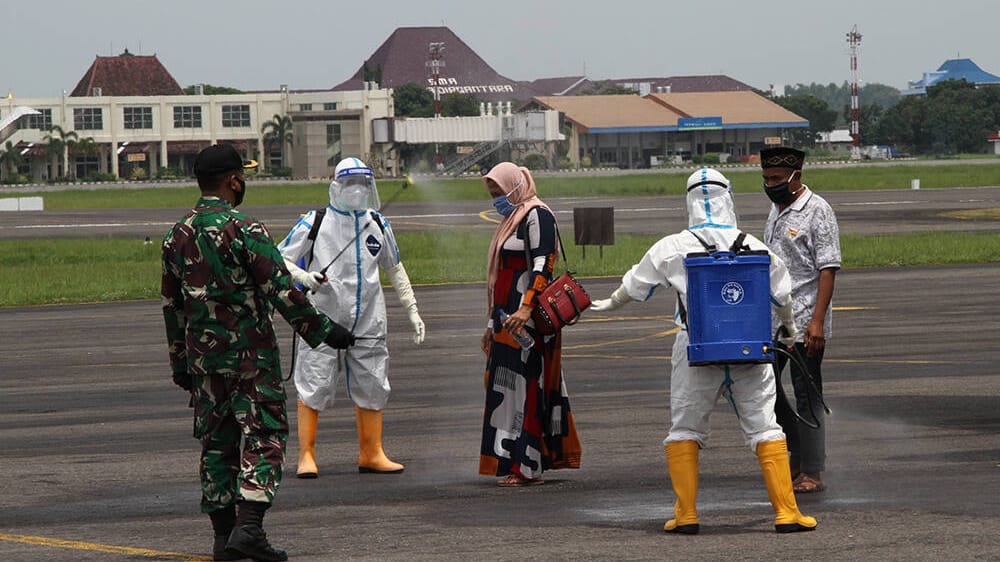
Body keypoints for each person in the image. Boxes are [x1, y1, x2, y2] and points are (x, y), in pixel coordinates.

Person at [589, 167, 816, 534]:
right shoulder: (756, 246)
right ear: (728, 198)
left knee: (686, 427)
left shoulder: (672, 246)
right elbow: (782, 297)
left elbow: (633, 287)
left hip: (694, 350)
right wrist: (789, 330)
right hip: (750, 351)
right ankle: (787, 512)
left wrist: (605, 304)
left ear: (689, 201)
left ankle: (687, 514)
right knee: (764, 426)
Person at [161, 144, 356, 562]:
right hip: (250, 360)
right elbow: (282, 289)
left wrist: (180, 364)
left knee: (217, 444)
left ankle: (222, 537)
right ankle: (248, 528)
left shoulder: (175, 235)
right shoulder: (246, 229)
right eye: (242, 176)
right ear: (233, 180)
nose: (243, 183)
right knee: (265, 435)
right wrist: (325, 332)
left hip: (204, 362)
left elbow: (173, 307)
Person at [278, 157, 425, 478]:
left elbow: (395, 269)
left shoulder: (378, 223)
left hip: (370, 318)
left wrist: (412, 310)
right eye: (350, 184)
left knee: (373, 382)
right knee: (314, 382)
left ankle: (372, 452)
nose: (357, 191)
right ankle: (306, 455)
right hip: (322, 319)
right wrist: (305, 278)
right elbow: (279, 260)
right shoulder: (315, 223)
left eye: (363, 184)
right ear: (336, 186)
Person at [479, 161, 581, 487]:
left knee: (528, 390)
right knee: (506, 391)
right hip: (505, 322)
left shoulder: (538, 216)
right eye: (492, 194)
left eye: (499, 192)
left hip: (527, 321)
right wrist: (490, 324)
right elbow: (498, 279)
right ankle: (509, 460)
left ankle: (527, 465)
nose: (496, 199)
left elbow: (543, 264)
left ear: (515, 186)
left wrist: (525, 308)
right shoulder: (512, 220)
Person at [760, 146, 841, 494]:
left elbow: (828, 268)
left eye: (777, 179)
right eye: (766, 179)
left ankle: (812, 469)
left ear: (797, 176)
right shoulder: (775, 210)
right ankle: (795, 450)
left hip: (806, 319)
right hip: (773, 323)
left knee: (808, 395)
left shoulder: (817, 210)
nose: (770, 184)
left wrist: (818, 322)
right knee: (767, 390)